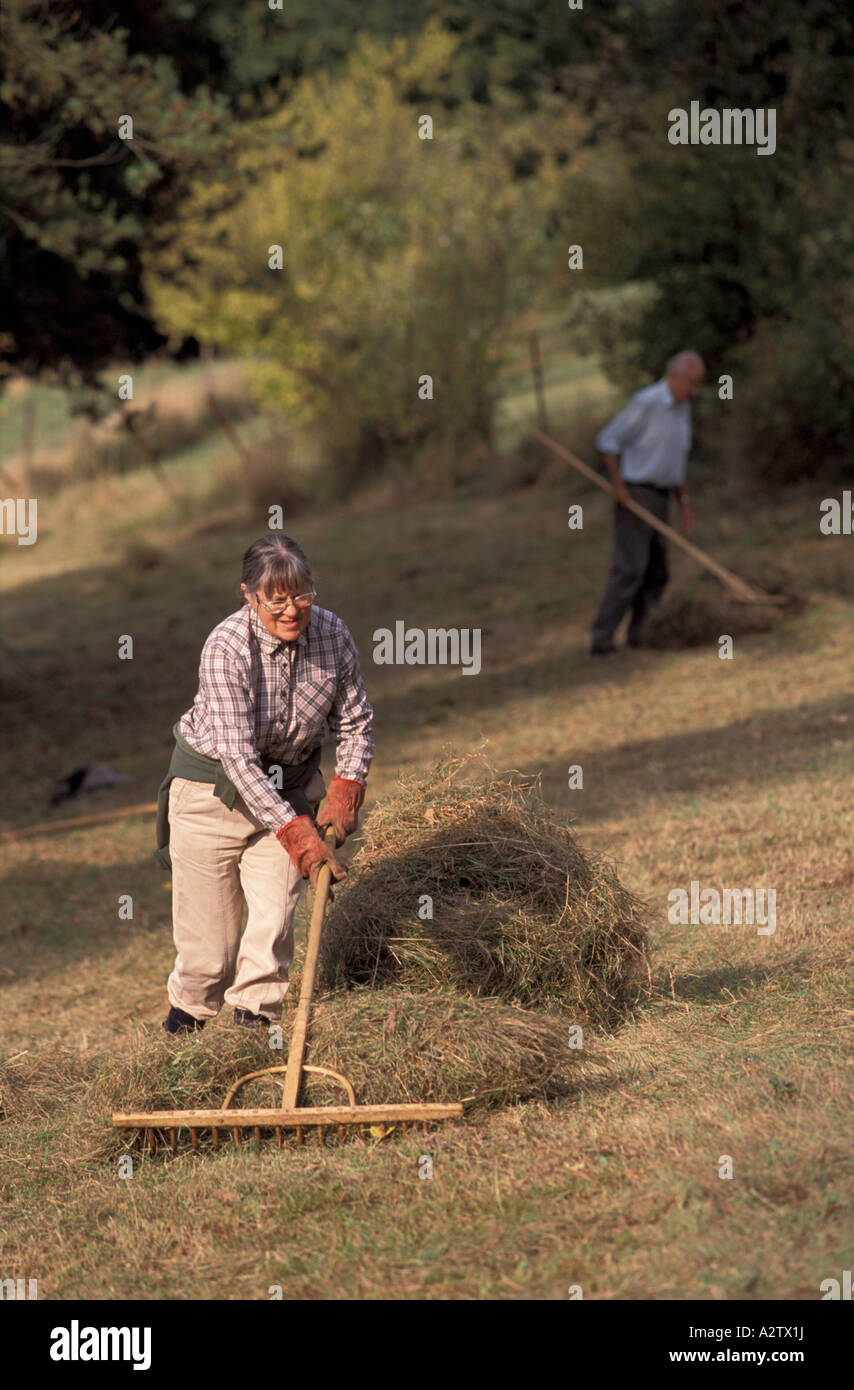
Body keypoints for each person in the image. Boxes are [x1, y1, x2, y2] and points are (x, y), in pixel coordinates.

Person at [154, 534, 374, 1034]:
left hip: (289, 792)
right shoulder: (227, 647)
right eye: (276, 599)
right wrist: (296, 833)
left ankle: (254, 1037)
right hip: (211, 795)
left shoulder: (334, 634)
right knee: (210, 956)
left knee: (274, 924)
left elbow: (356, 722)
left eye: (301, 595)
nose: (292, 609)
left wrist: (345, 787)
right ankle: (177, 1053)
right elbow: (237, 761)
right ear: (249, 596)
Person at [590, 350, 705, 654]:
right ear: (676, 376)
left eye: (698, 386)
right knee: (630, 568)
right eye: (692, 384)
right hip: (636, 492)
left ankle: (642, 632)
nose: (694, 392)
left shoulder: (682, 409)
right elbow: (608, 440)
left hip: (662, 495)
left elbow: (675, 462)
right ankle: (602, 638)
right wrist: (619, 487)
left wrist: (685, 503)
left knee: (658, 571)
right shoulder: (647, 402)